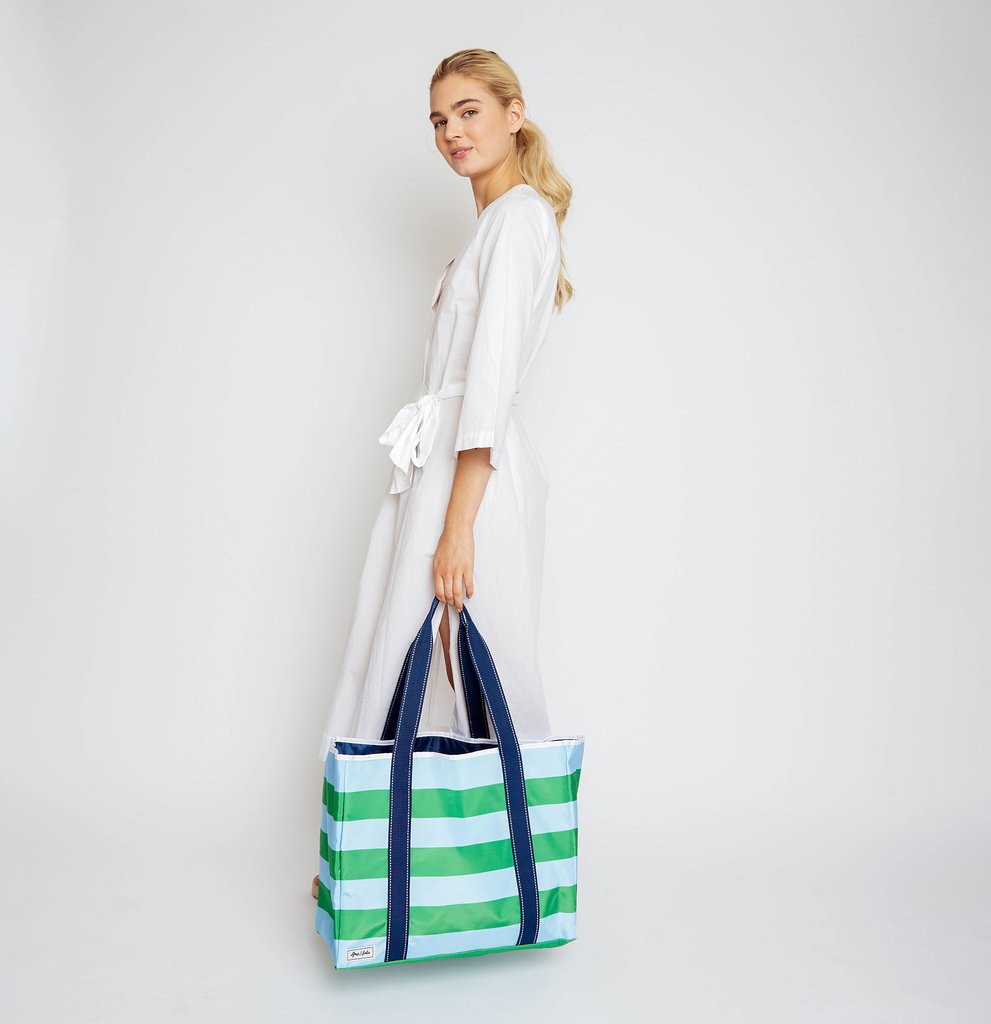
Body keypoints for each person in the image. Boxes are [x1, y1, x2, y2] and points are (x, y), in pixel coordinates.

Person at [313, 49, 573, 901]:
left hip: (470, 482)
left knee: (472, 662)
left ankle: (502, 876)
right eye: (437, 120)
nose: (451, 132)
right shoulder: (493, 226)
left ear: (512, 113)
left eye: (468, 111)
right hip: (444, 468)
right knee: (397, 653)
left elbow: (486, 391)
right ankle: (374, 863)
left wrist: (458, 525)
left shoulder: (519, 219)